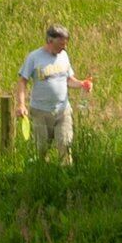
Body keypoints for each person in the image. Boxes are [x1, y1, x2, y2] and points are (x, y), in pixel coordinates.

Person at [18, 24, 83, 162]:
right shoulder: (34, 57)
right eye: (61, 43)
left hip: (62, 111)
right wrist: (21, 105)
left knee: (65, 145)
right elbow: (22, 81)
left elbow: (69, 80)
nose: (64, 47)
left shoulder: (64, 56)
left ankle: (66, 176)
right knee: (41, 148)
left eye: (65, 44)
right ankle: (42, 173)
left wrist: (82, 84)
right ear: (49, 40)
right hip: (40, 112)